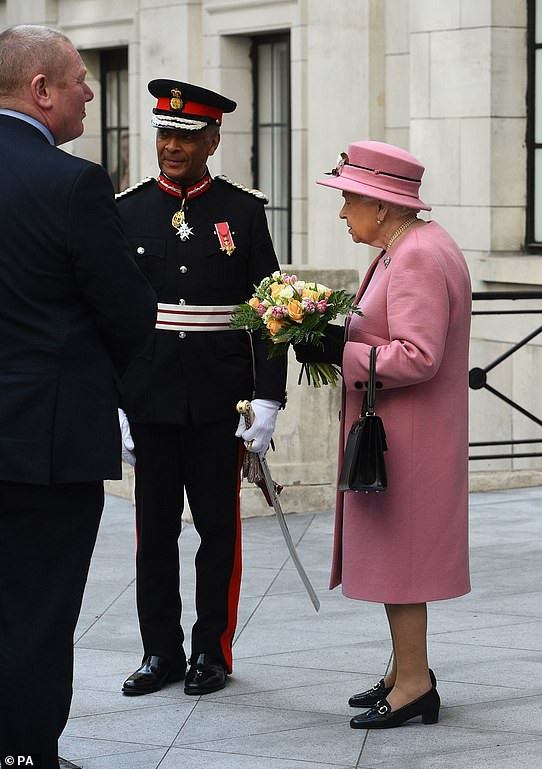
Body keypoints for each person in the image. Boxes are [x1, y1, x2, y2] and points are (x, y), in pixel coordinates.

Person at [0, 24, 156, 768]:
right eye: (80, 80)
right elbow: (130, 313)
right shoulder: (72, 183)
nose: (91, 92)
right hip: (46, 442)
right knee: (38, 608)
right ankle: (24, 755)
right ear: (41, 91)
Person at [116, 79, 287, 697]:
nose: (173, 147)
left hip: (221, 400)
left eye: (186, 137)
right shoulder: (127, 209)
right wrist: (115, 400)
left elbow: (272, 309)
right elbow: (111, 313)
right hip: (151, 399)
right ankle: (158, 653)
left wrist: (268, 397)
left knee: (219, 532)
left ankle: (210, 652)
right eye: (166, 134)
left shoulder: (242, 212)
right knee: (154, 534)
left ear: (212, 140)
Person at [295, 140, 471, 729]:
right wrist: (332, 329)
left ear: (381, 204)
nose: (343, 212)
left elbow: (419, 355)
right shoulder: (409, 245)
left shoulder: (416, 253)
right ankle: (404, 669)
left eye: (349, 199)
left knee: (405, 559)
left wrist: (339, 352)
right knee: (402, 557)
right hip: (406, 434)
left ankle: (415, 682)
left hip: (409, 438)